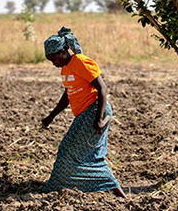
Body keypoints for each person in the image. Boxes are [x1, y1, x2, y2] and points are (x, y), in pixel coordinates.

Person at [40, 26, 126, 197]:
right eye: (51, 61)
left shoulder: (80, 62)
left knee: (68, 151)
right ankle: (111, 188)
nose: (54, 64)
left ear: (64, 51)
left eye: (54, 59)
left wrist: (99, 118)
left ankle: (106, 186)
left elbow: (102, 88)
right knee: (88, 153)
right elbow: (68, 94)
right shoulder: (66, 67)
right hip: (84, 114)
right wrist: (51, 116)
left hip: (94, 111)